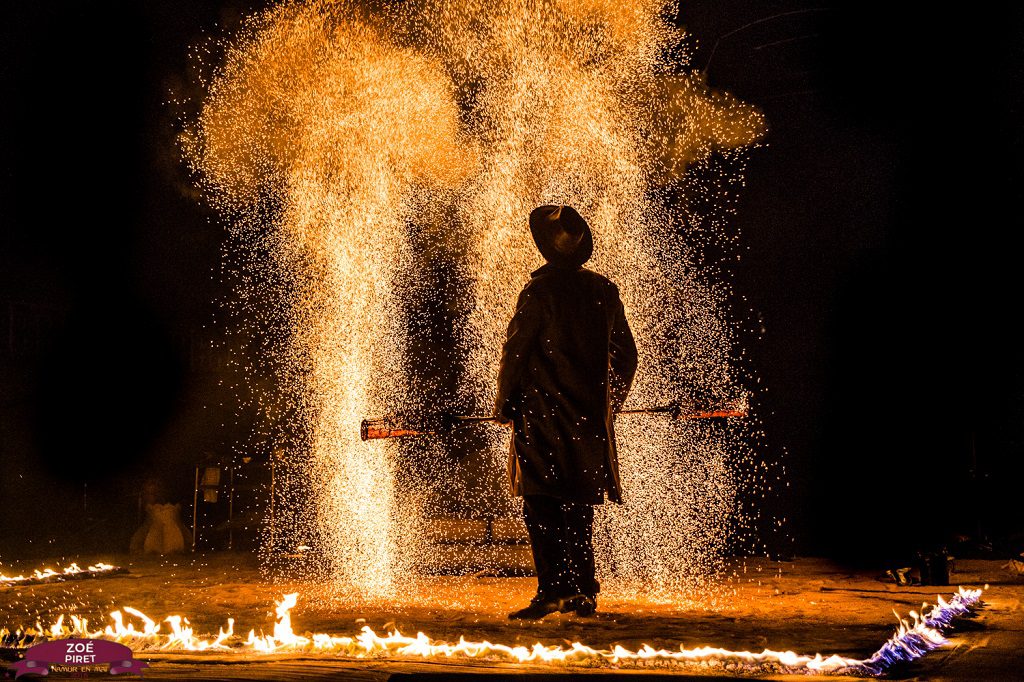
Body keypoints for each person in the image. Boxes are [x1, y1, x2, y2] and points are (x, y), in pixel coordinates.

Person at [494, 205, 638, 620]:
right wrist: (609, 402)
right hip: (588, 422)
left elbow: (516, 352)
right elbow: (626, 356)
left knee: (542, 505)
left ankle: (553, 591)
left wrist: (505, 401)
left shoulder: (537, 293)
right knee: (578, 505)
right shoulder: (603, 291)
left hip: (540, 418)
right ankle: (582, 591)